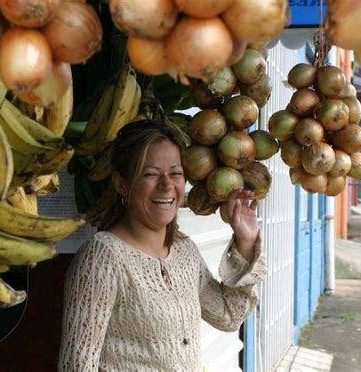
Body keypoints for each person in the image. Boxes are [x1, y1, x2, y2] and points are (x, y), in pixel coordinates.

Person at [58, 119, 267, 371]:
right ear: (121, 183)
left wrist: (245, 240)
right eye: (150, 174)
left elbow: (228, 316)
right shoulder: (103, 258)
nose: (167, 185)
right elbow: (76, 366)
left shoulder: (183, 250)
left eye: (176, 173)